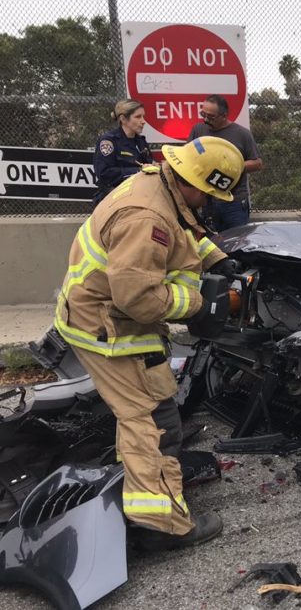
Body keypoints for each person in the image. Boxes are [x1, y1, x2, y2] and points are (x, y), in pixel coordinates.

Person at [54, 136, 245, 550]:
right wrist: (199, 304)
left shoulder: (159, 183)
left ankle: (139, 490)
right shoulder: (146, 218)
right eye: (209, 193)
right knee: (153, 422)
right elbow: (137, 297)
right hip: (106, 327)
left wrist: (220, 259)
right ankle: (162, 524)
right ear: (191, 183)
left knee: (148, 414)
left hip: (106, 317)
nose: (210, 202)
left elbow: (187, 231)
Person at [188, 94, 263, 231]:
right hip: (206, 201)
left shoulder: (242, 134)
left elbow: (257, 163)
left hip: (234, 203)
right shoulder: (198, 130)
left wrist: (232, 166)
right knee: (211, 246)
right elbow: (188, 156)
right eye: (203, 114)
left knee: (237, 245)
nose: (205, 120)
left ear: (224, 116)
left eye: (211, 117)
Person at [93, 99, 155, 206]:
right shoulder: (109, 141)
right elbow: (104, 173)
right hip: (113, 198)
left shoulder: (141, 141)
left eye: (143, 116)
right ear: (123, 119)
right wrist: (138, 171)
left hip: (139, 195)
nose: (143, 121)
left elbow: (149, 163)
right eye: (138, 117)